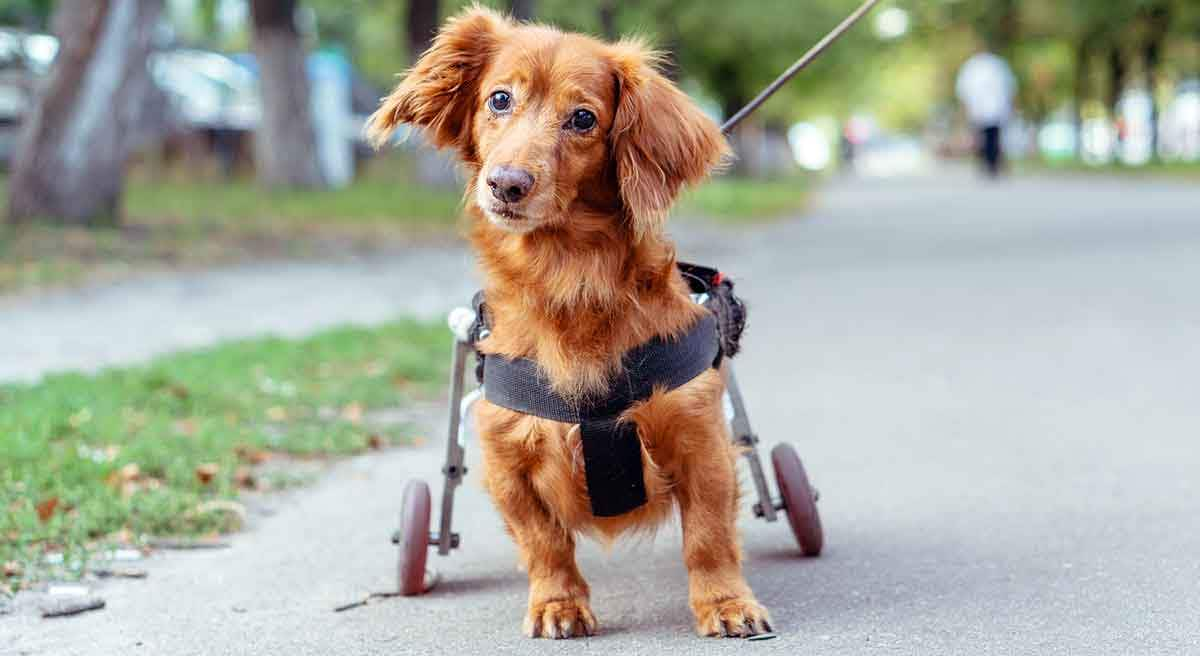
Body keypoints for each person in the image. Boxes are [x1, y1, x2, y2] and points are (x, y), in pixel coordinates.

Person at [956, 49, 1016, 177]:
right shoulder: (998, 65)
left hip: (985, 108)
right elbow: (1010, 87)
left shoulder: (973, 66)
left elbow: (964, 89)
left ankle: (990, 164)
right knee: (991, 138)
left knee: (986, 138)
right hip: (990, 108)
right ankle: (990, 164)